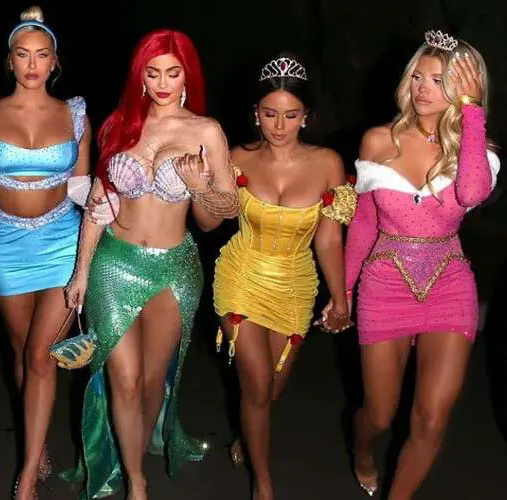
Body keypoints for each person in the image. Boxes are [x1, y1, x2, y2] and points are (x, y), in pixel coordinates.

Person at [61, 28, 240, 500]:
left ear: (187, 77)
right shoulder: (120, 125)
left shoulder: (206, 131)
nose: (162, 83)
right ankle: (136, 483)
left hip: (173, 269)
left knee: (150, 383)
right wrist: (81, 271)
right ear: (139, 77)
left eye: (172, 73)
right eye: (152, 72)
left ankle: (134, 455)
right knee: (123, 379)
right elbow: (99, 201)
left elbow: (224, 212)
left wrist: (199, 187)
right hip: (114, 263)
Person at [340, 30, 500, 497]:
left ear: (464, 89)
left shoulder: (477, 151)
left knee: (431, 420)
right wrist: (344, 290)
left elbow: (471, 192)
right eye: (418, 77)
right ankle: (362, 449)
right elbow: (364, 222)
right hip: (384, 283)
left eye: (439, 80)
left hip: (449, 284)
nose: (423, 88)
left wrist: (472, 113)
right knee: (379, 414)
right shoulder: (377, 141)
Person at [0, 5, 92, 498]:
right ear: (9, 60)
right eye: (23, 54)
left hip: (62, 242)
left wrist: (110, 208)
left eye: (42, 54)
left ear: (55, 61)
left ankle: (26, 477)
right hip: (5, 246)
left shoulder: (75, 113)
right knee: (22, 352)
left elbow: (80, 187)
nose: (33, 64)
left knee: (41, 355)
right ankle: (38, 440)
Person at [213, 54, 356, 500]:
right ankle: (263, 482)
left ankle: (249, 436)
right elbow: (209, 218)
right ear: (255, 113)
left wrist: (340, 296)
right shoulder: (235, 158)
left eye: (290, 115)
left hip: (295, 281)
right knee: (256, 386)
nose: (279, 125)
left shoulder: (328, 163)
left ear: (306, 116)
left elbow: (328, 240)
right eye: (270, 113)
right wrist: (201, 186)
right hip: (242, 272)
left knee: (273, 389)